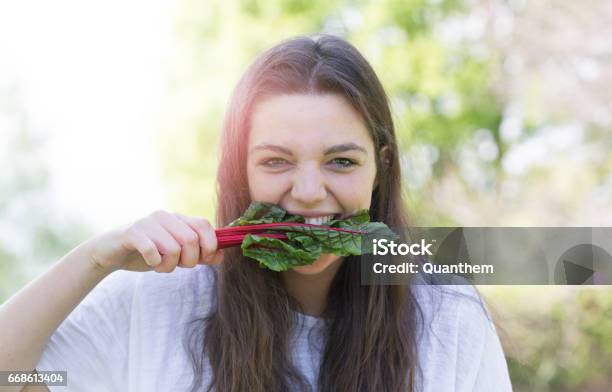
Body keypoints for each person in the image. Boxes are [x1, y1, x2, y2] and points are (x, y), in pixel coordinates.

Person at [0, 34, 512, 392]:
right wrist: (95, 258)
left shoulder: (447, 316)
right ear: (238, 172)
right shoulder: (153, 300)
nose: (309, 192)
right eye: (275, 161)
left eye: (341, 161)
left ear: (381, 167)